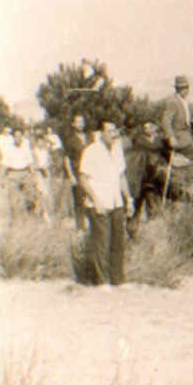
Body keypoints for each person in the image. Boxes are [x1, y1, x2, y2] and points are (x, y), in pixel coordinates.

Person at [78, 121, 134, 287]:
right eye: (109, 131)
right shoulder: (91, 151)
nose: (113, 134)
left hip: (116, 201)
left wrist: (128, 199)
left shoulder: (117, 150)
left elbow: (121, 176)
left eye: (114, 131)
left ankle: (118, 280)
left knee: (118, 242)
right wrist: (96, 200)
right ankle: (102, 281)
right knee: (102, 243)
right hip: (99, 202)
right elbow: (83, 178)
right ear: (100, 133)